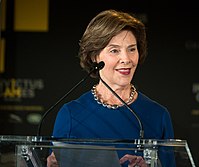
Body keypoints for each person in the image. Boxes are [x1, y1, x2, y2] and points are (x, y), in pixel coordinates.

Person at [47, 9, 175, 167]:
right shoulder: (71, 115)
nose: (126, 59)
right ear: (95, 56)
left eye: (132, 49)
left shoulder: (157, 115)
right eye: (115, 50)